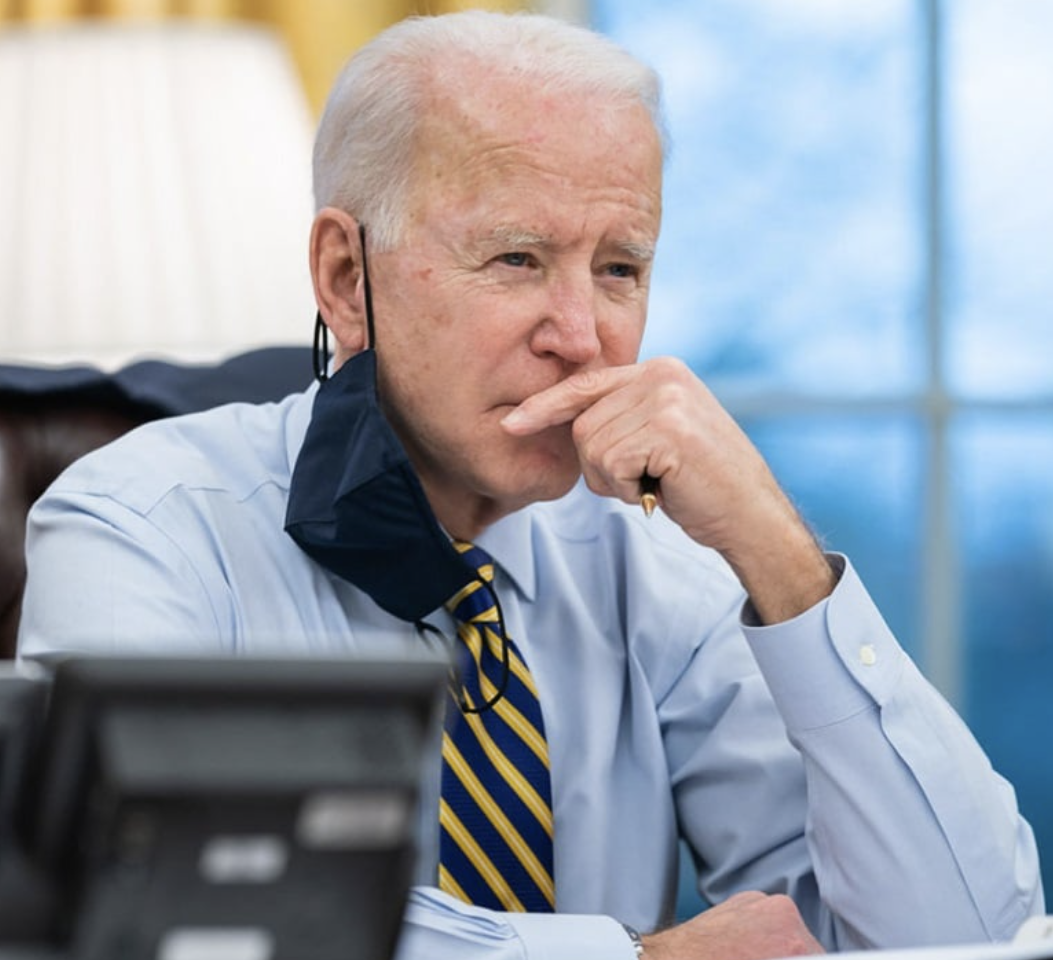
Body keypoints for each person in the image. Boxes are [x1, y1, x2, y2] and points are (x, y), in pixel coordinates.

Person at [17, 10, 1043, 960]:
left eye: (619, 268)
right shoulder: (139, 524)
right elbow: (153, 912)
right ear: (345, 278)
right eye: (515, 258)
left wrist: (777, 554)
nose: (582, 337)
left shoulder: (657, 563)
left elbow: (968, 937)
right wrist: (627, 958)